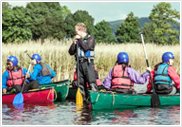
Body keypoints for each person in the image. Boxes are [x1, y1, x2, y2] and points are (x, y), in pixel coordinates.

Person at [68, 23, 98, 105]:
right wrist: (74, 44)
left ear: (81, 31)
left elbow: (86, 47)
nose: (75, 33)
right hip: (79, 64)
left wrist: (80, 39)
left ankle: (95, 101)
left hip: (88, 64)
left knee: (91, 82)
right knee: (80, 84)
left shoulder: (90, 38)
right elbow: (70, 52)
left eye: (76, 31)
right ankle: (84, 102)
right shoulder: (77, 41)